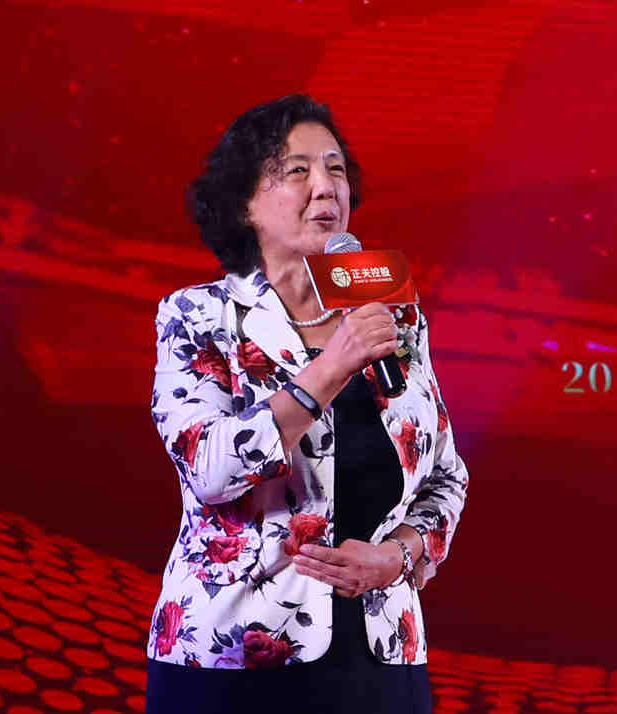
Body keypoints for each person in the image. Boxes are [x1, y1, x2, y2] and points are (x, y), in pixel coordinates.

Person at [146, 94, 468, 714]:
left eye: (336, 169)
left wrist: (399, 555)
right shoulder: (198, 315)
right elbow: (209, 468)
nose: (325, 187)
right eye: (297, 170)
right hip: (234, 661)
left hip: (381, 661)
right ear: (244, 203)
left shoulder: (394, 316)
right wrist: (329, 368)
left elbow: (445, 477)